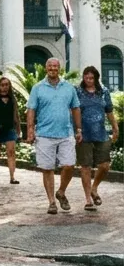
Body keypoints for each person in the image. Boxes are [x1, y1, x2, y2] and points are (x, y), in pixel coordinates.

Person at [26, 58, 84, 214]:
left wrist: (79, 129)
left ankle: (61, 192)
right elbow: (31, 110)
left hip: (66, 133)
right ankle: (52, 201)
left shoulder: (69, 88)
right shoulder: (37, 88)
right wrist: (30, 130)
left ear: (60, 69)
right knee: (47, 168)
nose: (53, 69)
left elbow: (76, 108)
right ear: (46, 68)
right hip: (44, 134)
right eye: (50, 66)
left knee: (69, 165)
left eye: (56, 66)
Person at [77, 65, 117, 207]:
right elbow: (74, 111)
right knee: (86, 166)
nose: (88, 80)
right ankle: (88, 199)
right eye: (86, 78)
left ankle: (94, 188)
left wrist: (115, 127)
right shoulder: (78, 92)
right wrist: (76, 129)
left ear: (96, 78)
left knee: (105, 165)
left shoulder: (103, 92)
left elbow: (109, 110)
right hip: (84, 133)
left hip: (101, 132)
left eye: (91, 78)